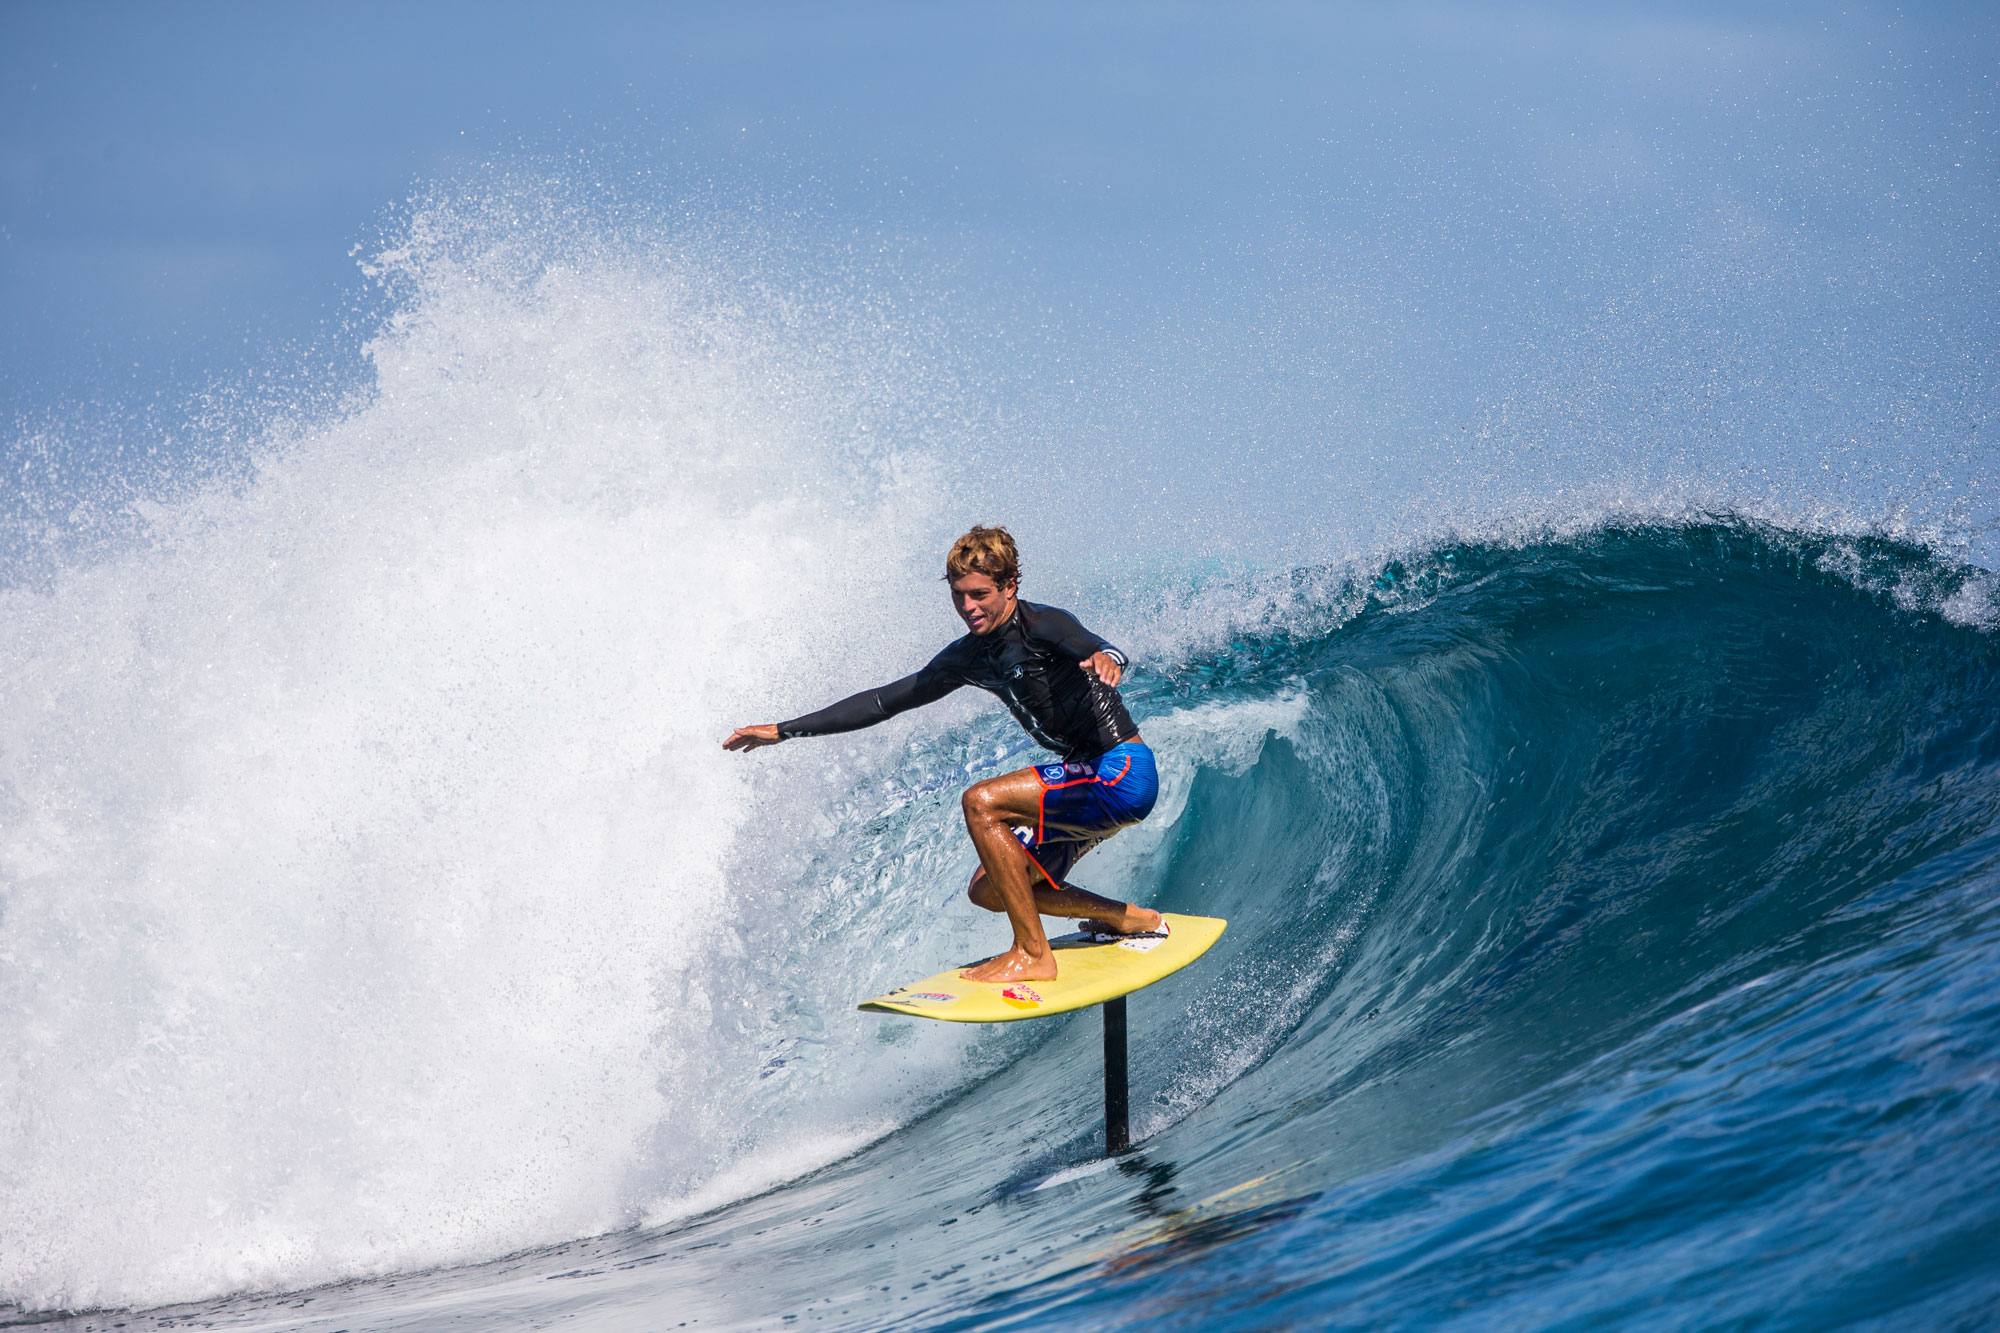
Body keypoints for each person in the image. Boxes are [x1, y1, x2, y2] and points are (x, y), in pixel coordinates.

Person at [724, 525, 1163, 983]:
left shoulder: (1042, 624)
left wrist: (1106, 657)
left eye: (980, 594)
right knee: (994, 889)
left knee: (982, 801)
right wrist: (785, 730)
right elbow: (881, 702)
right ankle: (1127, 917)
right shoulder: (968, 657)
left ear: (1009, 586)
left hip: (1120, 771)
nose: (968, 607)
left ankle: (1033, 954)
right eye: (959, 596)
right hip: (1086, 781)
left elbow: (1092, 644)